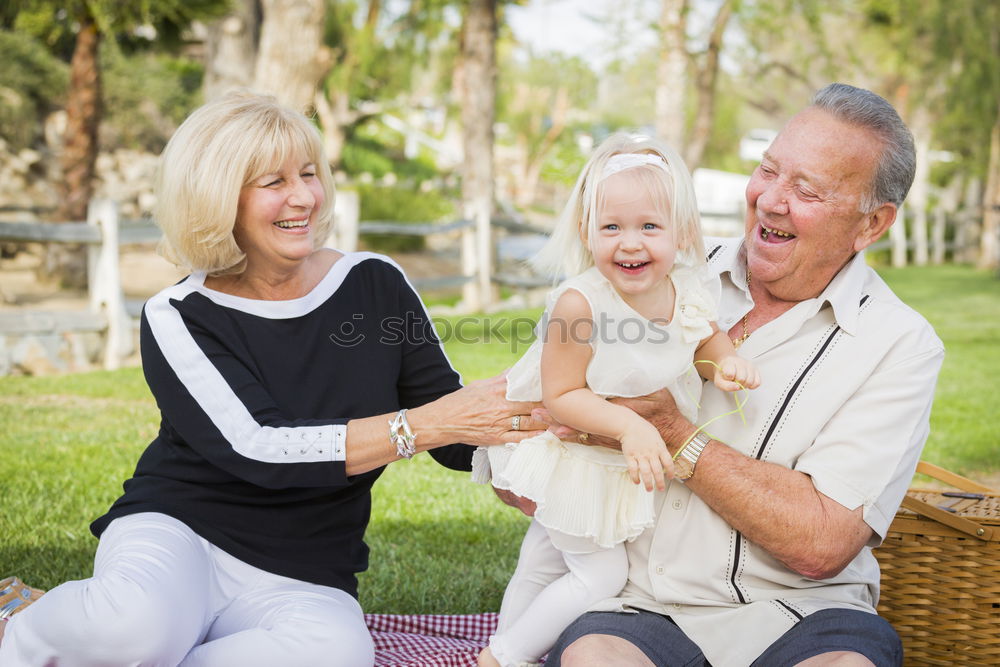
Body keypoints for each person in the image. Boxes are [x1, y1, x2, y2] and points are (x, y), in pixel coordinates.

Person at [0, 91, 546, 666]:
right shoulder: (179, 314)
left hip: (306, 567)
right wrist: (419, 426)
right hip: (183, 532)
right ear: (218, 198)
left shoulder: (375, 285)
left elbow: (451, 425)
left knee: (337, 657)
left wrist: (541, 422)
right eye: (274, 182)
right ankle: (21, 624)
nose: (304, 197)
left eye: (309, 174)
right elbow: (260, 446)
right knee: (133, 627)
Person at [538, 83, 945, 667]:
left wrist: (676, 436)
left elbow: (822, 541)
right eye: (769, 170)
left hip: (806, 614)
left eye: (805, 189)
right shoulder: (658, 265)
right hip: (636, 604)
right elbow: (550, 396)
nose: (771, 200)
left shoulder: (900, 344)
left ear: (871, 224)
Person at [474, 133, 760, 667]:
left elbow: (702, 338)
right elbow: (561, 396)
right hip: (570, 455)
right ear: (587, 232)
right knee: (599, 574)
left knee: (542, 561)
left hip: (607, 461)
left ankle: (505, 645)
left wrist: (726, 363)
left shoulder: (688, 290)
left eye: (649, 227)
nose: (630, 243)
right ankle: (503, 656)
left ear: (683, 233)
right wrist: (632, 428)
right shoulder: (580, 303)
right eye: (612, 227)